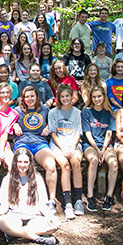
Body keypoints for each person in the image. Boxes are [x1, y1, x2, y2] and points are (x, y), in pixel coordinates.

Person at [0, 148, 60, 245]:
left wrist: (50, 217)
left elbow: (42, 205)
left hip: (34, 217)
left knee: (54, 226)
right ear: (15, 163)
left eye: (25, 162)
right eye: (19, 162)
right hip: (14, 216)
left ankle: (14, 234)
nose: (22, 165)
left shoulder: (37, 178)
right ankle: (37, 238)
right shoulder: (7, 179)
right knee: (0, 222)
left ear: (30, 163)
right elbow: (4, 205)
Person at [12, 86, 59, 206]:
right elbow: (9, 122)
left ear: (37, 97)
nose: (30, 99)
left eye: (32, 96)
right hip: (22, 143)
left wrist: (48, 127)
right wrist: (15, 125)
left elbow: (53, 123)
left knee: (51, 166)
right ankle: (16, 198)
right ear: (23, 98)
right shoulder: (17, 110)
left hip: (39, 143)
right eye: (27, 96)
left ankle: (52, 199)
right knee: (20, 165)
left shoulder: (45, 110)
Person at [48, 85, 83, 220]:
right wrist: (63, 148)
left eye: (67, 96)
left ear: (72, 97)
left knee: (75, 162)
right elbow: (54, 134)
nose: (65, 99)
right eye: (62, 97)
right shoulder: (53, 113)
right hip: (58, 145)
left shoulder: (77, 113)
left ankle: (78, 200)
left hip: (73, 144)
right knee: (65, 166)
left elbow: (78, 133)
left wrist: (72, 147)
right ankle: (68, 203)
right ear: (59, 98)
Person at [82, 86, 119, 211]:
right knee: (93, 160)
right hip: (90, 145)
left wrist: (103, 149)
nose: (97, 99)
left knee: (113, 163)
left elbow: (109, 133)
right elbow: (87, 133)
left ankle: (109, 195)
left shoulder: (110, 112)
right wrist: (97, 151)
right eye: (94, 97)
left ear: (104, 97)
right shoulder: (86, 111)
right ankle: (90, 195)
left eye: (99, 96)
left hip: (105, 145)